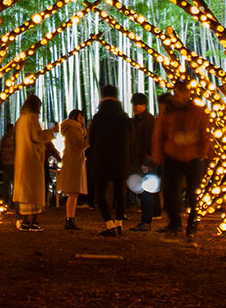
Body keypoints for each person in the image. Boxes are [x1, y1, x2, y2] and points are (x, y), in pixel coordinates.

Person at [152, 78, 211, 245]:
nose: (178, 95)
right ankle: (175, 225)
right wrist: (158, 154)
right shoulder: (168, 112)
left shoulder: (198, 111)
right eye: (176, 92)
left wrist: (203, 151)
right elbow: (159, 134)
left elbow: (205, 131)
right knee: (170, 192)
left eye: (181, 92)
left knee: (194, 195)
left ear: (188, 93)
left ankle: (191, 228)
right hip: (173, 156)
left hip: (193, 157)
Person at [89, 84, 131, 236]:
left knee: (100, 192)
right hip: (121, 158)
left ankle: (109, 224)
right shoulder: (124, 117)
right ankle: (119, 223)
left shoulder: (98, 117)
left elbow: (91, 139)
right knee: (120, 191)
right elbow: (130, 138)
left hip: (102, 158)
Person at [12, 94, 56, 231]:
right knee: (34, 193)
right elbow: (37, 136)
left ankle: (24, 221)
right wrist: (51, 132)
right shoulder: (32, 118)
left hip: (21, 159)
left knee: (24, 193)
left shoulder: (20, 120)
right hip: (32, 159)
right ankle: (34, 222)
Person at [127, 92, 157, 231]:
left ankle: (146, 221)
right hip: (135, 160)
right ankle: (145, 220)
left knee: (145, 191)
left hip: (144, 160)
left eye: (137, 104)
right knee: (141, 189)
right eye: (134, 104)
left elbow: (150, 141)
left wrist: (147, 159)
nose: (135, 107)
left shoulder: (149, 120)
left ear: (144, 105)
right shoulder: (134, 120)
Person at [58, 110, 89, 229]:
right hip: (73, 161)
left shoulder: (74, 129)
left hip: (75, 160)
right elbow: (80, 143)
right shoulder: (72, 128)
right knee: (73, 191)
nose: (82, 120)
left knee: (74, 192)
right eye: (80, 117)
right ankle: (69, 218)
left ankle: (71, 218)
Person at [0, 124, 16, 204]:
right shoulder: (8, 140)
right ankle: (11, 200)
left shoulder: (4, 139)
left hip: (6, 163)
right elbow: (11, 151)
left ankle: (6, 200)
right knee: (11, 182)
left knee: (6, 183)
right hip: (10, 163)